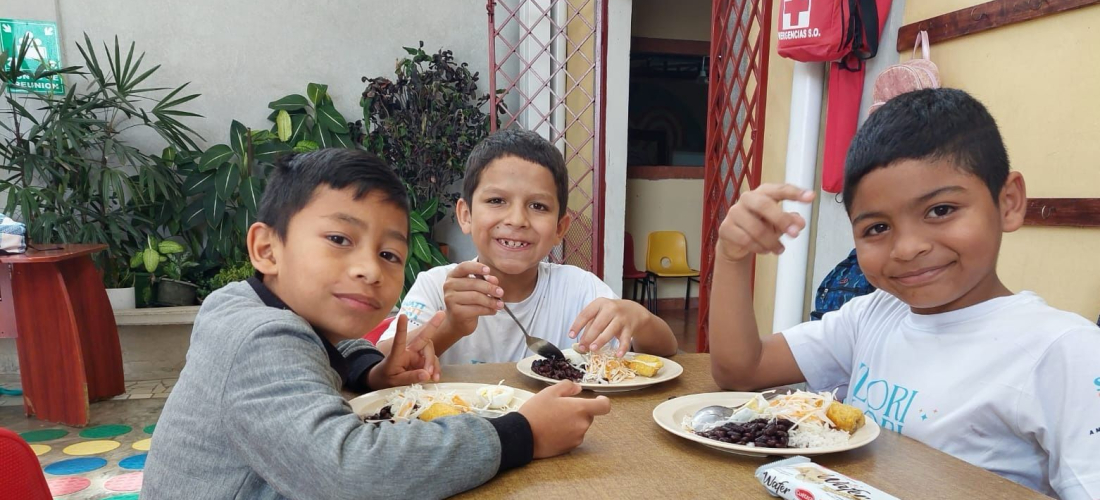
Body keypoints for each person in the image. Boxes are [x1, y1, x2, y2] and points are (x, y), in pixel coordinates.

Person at [143, 149, 611, 499]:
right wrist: (520, 435)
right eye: (339, 239)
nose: (370, 269)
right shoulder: (259, 339)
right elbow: (351, 472)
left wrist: (371, 369)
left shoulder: (250, 306)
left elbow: (323, 350)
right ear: (267, 249)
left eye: (389, 254)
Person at [707, 88, 1100, 499]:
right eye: (877, 228)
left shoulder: (1064, 352)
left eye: (941, 210)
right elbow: (741, 369)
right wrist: (732, 256)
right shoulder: (873, 316)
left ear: (1008, 202)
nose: (908, 247)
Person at [379, 129, 677, 364]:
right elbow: (382, 362)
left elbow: (665, 350)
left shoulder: (578, 289)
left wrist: (639, 318)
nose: (517, 219)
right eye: (497, 201)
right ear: (466, 215)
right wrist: (452, 326)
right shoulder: (437, 287)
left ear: (560, 228)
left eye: (538, 205)